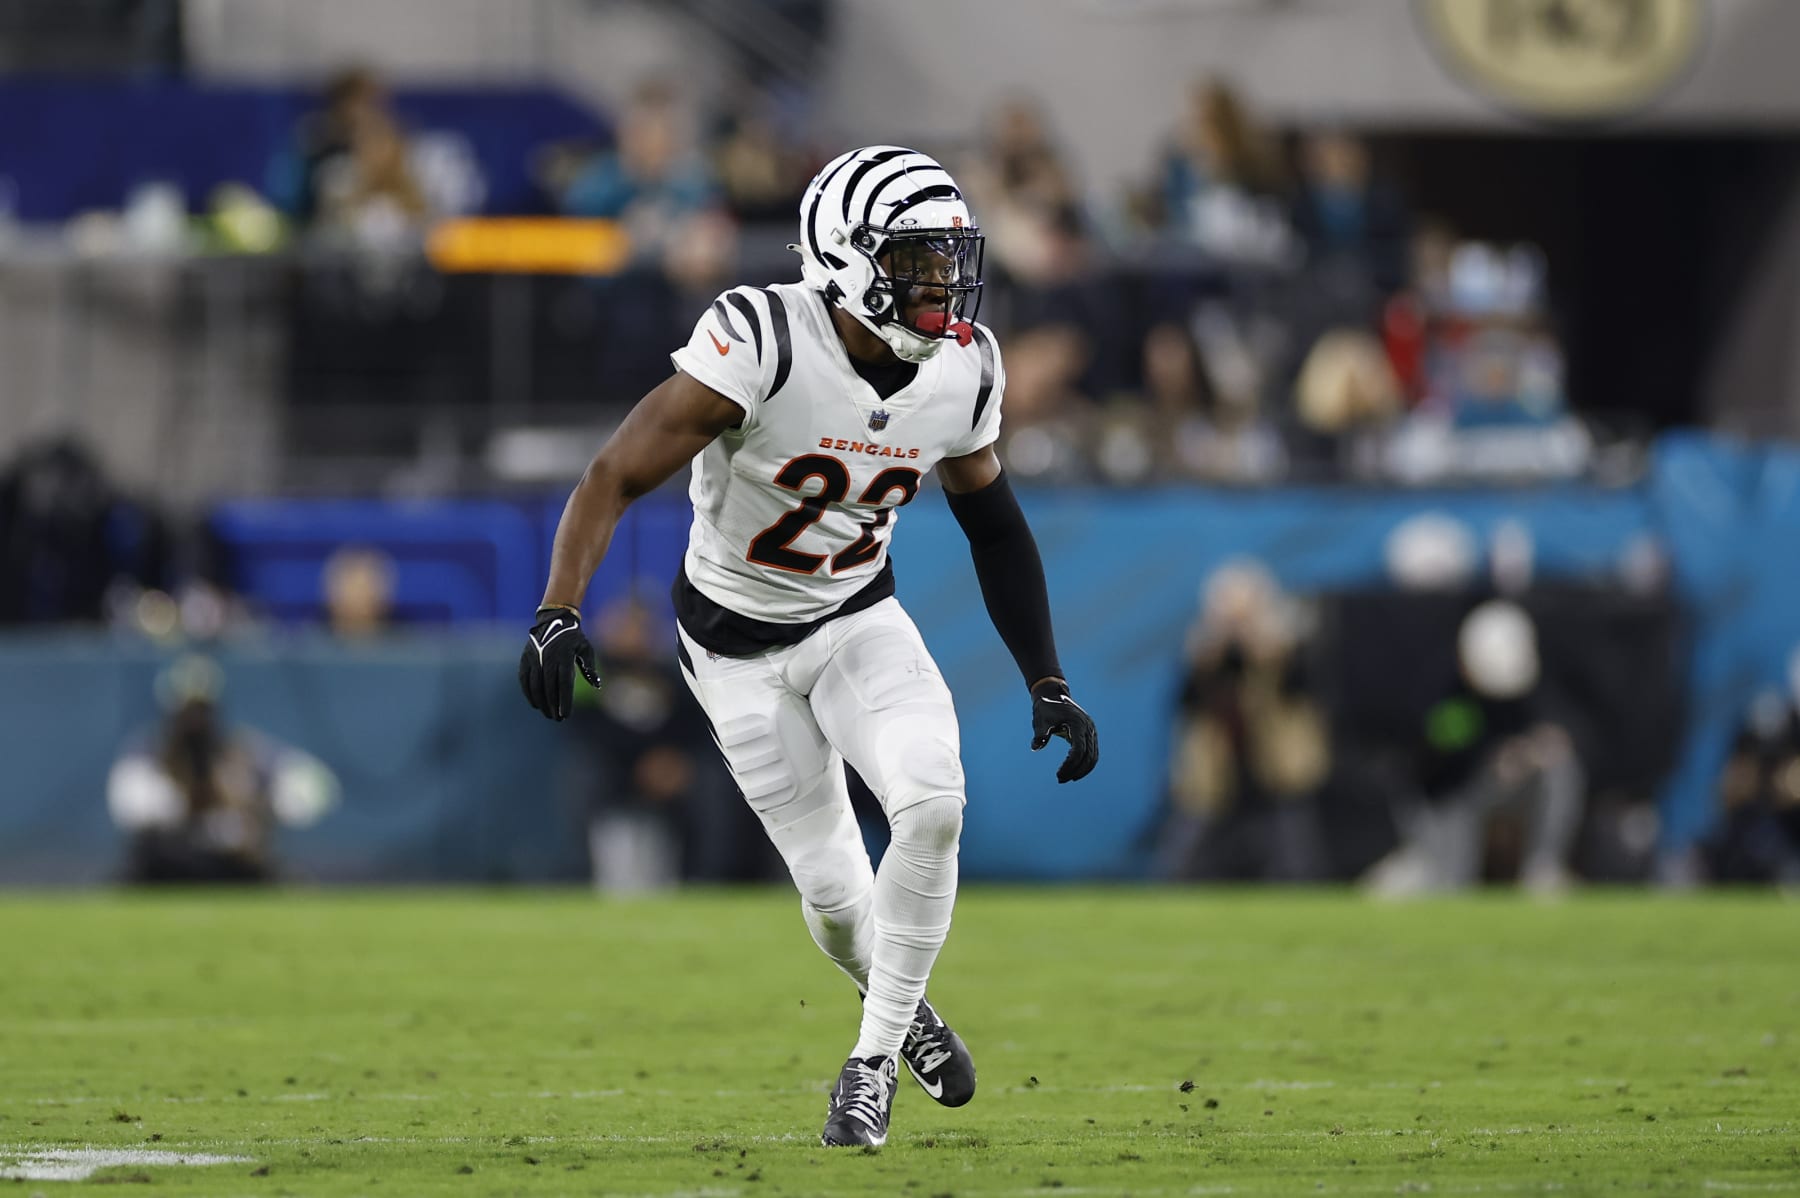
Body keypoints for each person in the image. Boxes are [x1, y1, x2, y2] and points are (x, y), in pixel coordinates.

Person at [517, 146, 1100, 1148]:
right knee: (835, 899)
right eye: (916, 264)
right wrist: (558, 606)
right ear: (845, 259)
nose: (941, 287)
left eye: (948, 261)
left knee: (932, 804)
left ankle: (868, 1066)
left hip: (855, 620)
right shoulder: (762, 340)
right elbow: (614, 473)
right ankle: (904, 1008)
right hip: (733, 651)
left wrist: (1046, 677)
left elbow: (995, 526)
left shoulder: (961, 369)